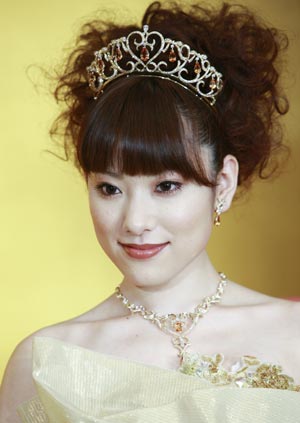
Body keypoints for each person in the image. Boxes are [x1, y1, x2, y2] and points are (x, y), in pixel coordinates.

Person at [0, 1, 299, 422]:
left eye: (166, 186)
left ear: (223, 184)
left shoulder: (295, 332)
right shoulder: (42, 363)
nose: (135, 222)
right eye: (109, 188)